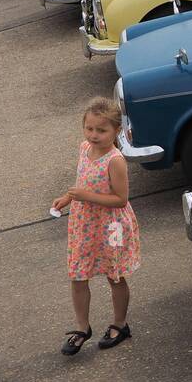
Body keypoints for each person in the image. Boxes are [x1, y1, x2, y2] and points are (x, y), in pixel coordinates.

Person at [54, 97, 140, 354]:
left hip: (111, 226)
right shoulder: (84, 148)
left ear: (116, 131)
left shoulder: (115, 160)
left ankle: (120, 324)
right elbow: (83, 181)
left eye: (101, 130)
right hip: (84, 223)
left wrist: (84, 197)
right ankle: (82, 327)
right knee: (78, 275)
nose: (93, 135)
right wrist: (67, 198)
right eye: (89, 128)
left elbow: (120, 199)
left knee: (114, 275)